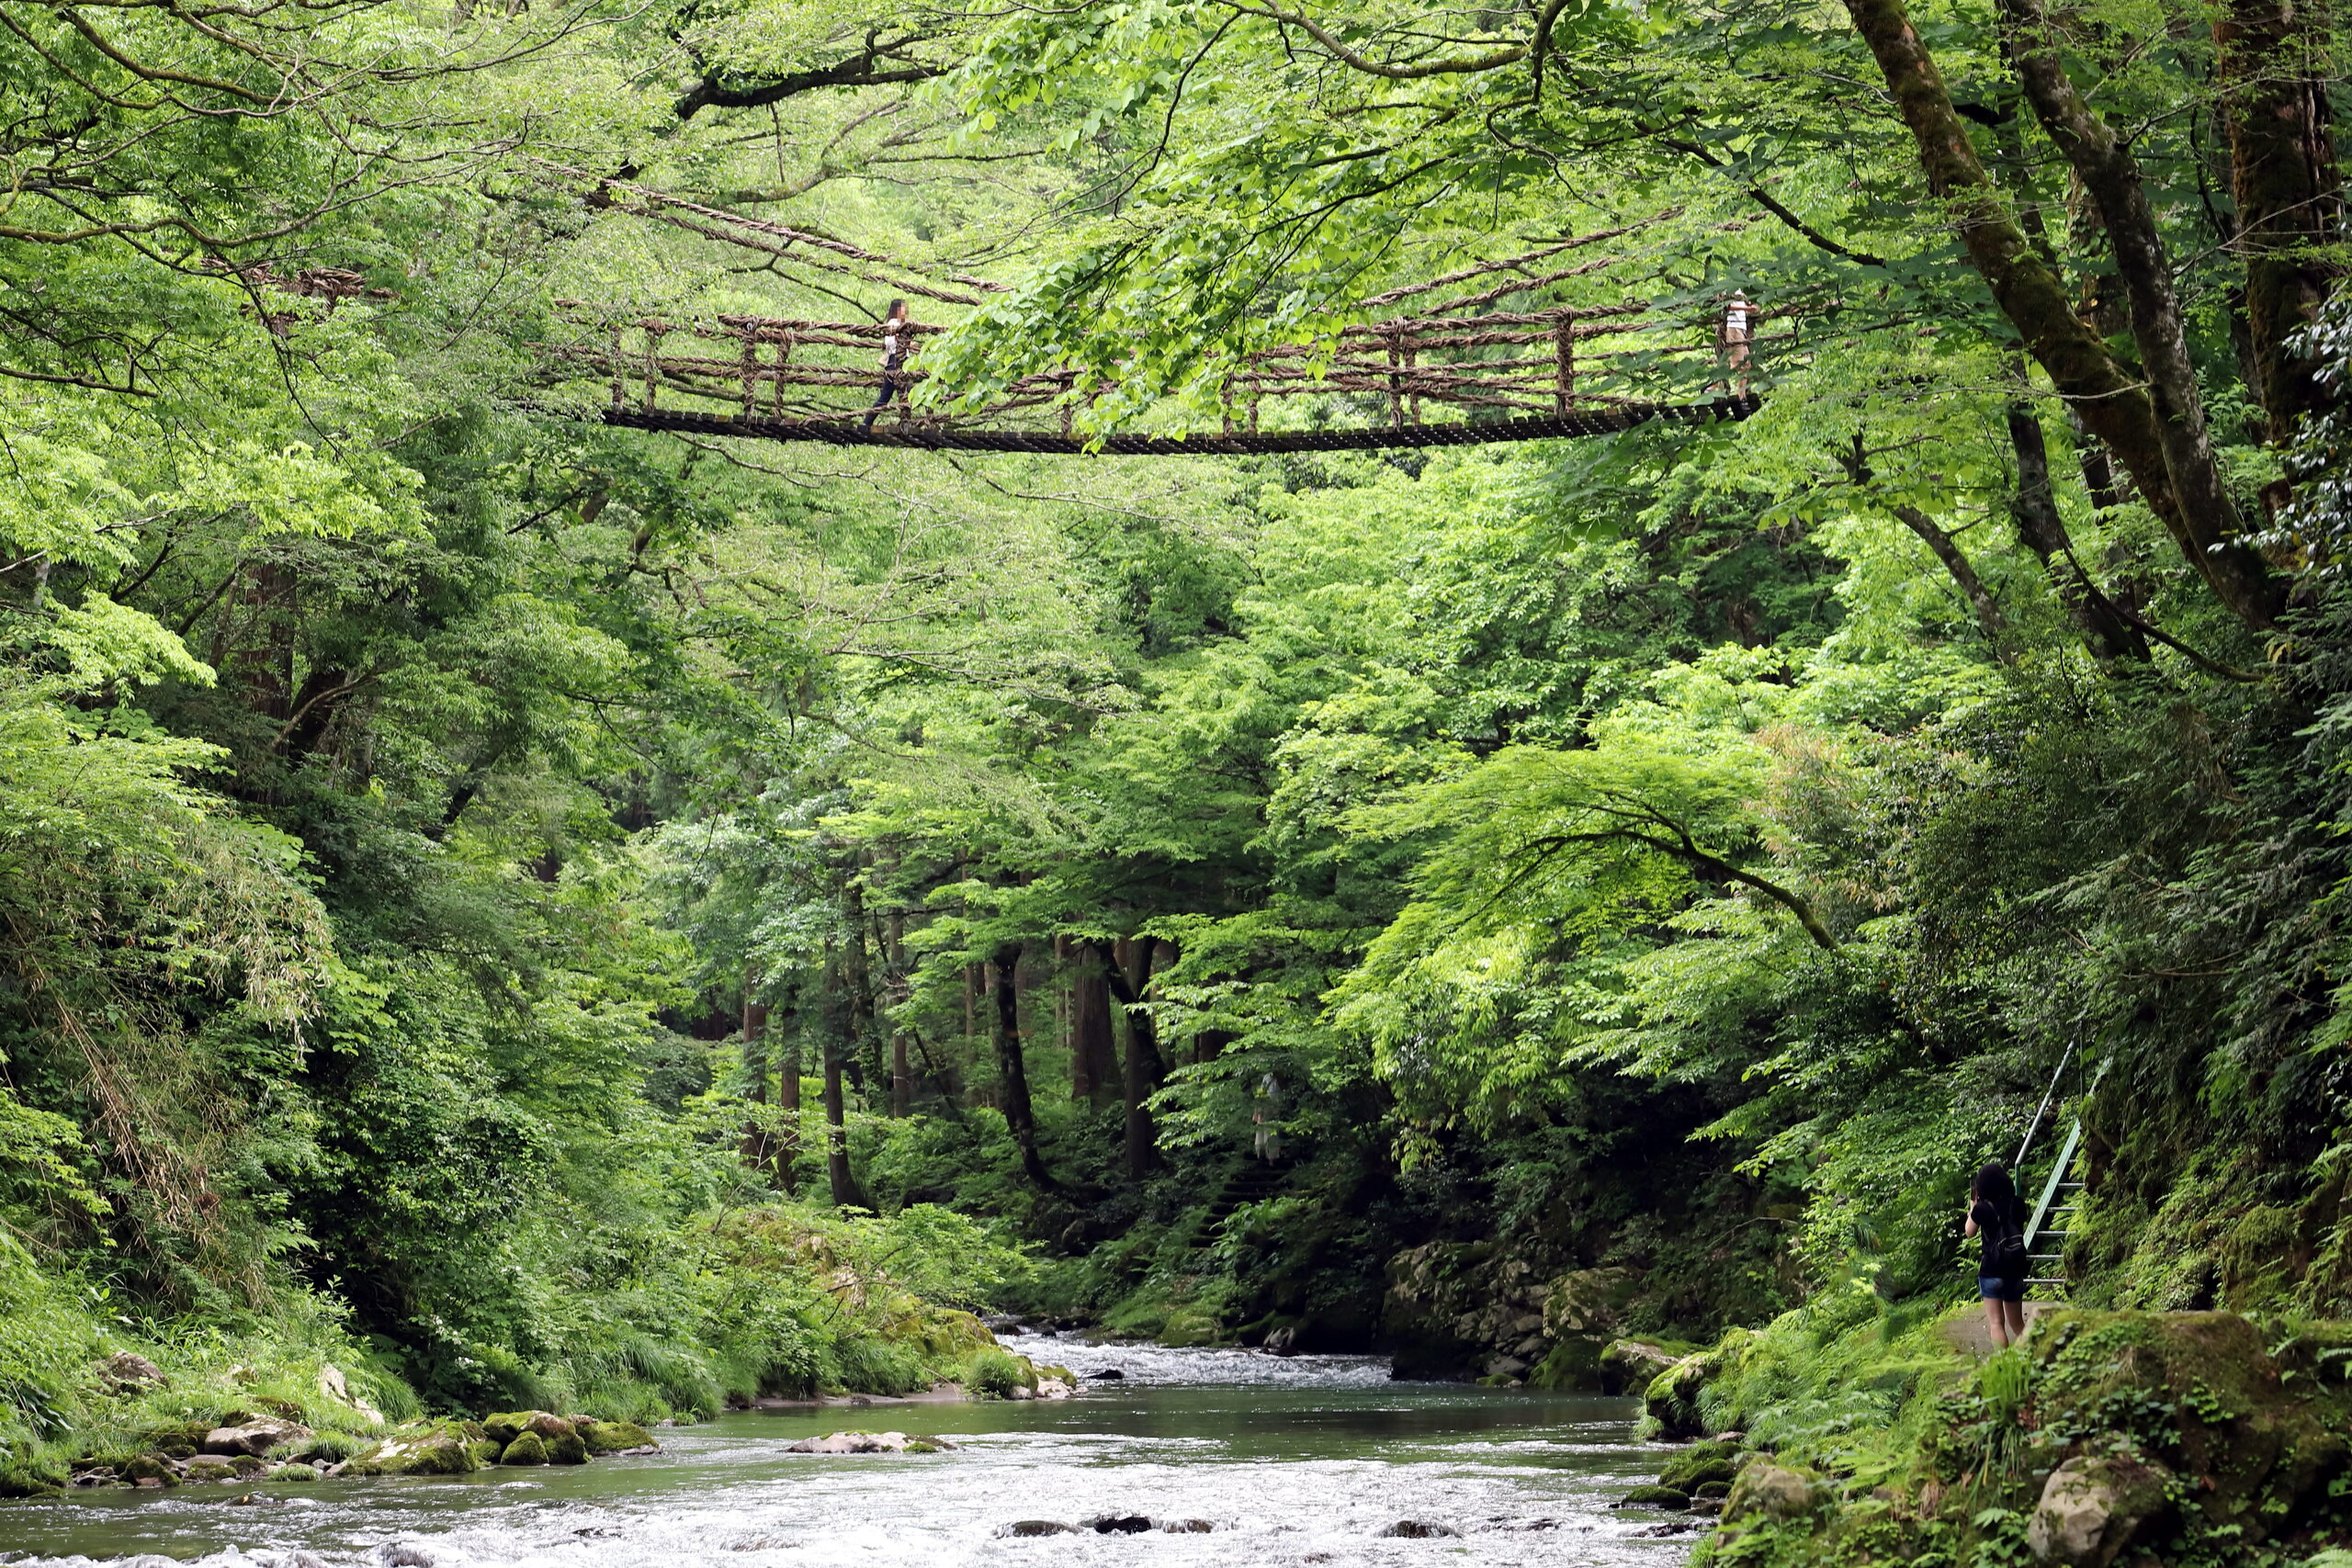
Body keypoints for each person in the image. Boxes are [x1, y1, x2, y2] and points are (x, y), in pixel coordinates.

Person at [1965, 1161, 2030, 1348]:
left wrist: (1973, 1206)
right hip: (2015, 1269)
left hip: (1991, 1271)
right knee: (2017, 1323)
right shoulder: (2018, 1204)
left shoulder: (1981, 1209)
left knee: (1996, 1323)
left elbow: (1969, 1232)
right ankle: (2036, 1356)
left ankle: (2004, 1367)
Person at [862, 299, 910, 430]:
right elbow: (890, 345)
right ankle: (866, 423)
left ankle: (867, 423)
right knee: (889, 396)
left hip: (898, 363)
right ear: (898, 310)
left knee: (904, 392)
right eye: (904, 308)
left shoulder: (900, 324)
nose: (906, 311)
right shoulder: (894, 323)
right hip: (895, 363)